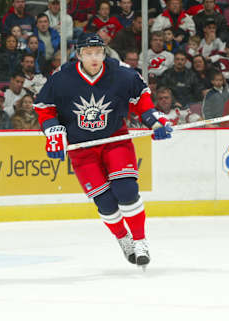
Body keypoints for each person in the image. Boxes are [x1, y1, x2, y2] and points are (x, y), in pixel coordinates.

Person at [34, 34, 173, 268]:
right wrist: (53, 132)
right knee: (105, 203)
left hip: (114, 139)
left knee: (127, 190)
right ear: (78, 55)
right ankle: (123, 238)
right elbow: (45, 108)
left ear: (104, 53)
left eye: (98, 53)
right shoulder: (61, 78)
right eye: (88, 53)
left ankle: (139, 241)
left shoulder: (122, 73)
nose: (94, 58)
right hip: (82, 148)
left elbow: (142, 101)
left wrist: (155, 122)